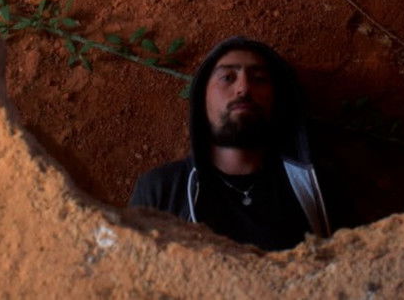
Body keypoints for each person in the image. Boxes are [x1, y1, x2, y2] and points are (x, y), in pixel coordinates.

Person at [130, 36, 349, 251]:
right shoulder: (161, 189)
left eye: (259, 78)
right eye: (227, 77)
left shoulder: (318, 186)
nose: (243, 88)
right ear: (201, 97)